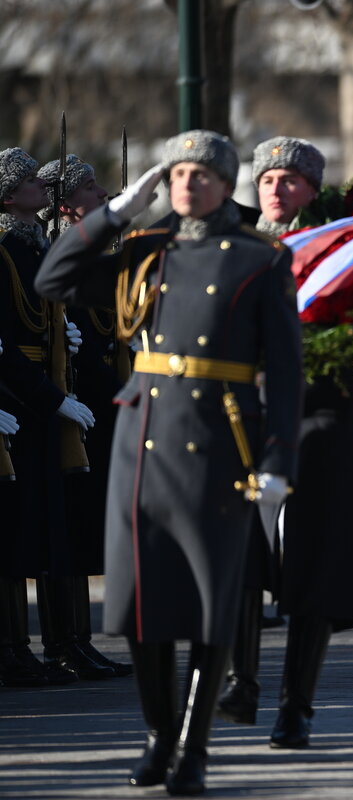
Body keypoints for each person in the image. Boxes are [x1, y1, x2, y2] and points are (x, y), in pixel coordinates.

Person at [36, 129, 303, 793]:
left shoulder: (258, 259)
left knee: (212, 603)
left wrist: (277, 460)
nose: (186, 184)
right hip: (144, 436)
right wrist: (116, 212)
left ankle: (194, 746)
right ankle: (157, 736)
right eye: (177, 174)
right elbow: (54, 278)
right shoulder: (144, 250)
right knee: (138, 604)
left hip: (218, 440)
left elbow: (288, 373)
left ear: (222, 183)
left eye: (200, 175)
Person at [217, 135, 353, 749]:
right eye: (267, 180)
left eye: (290, 179)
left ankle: (296, 704)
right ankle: (241, 679)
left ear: (313, 188)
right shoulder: (233, 247)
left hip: (325, 404)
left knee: (318, 556)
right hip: (247, 409)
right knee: (240, 544)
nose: (277, 189)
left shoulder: (344, 246)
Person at [0, 147, 96, 688]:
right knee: (15, 533)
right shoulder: (4, 250)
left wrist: (65, 337)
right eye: (32, 181)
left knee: (52, 526)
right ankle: (14, 649)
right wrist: (47, 398)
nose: (44, 187)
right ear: (10, 195)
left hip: (40, 397)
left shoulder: (33, 247)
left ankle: (65, 642)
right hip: (21, 400)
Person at [34, 154, 132, 680]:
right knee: (64, 528)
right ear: (66, 204)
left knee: (78, 529)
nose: (102, 195)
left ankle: (77, 638)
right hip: (75, 404)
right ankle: (61, 641)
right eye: (90, 188)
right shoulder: (55, 253)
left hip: (99, 402)